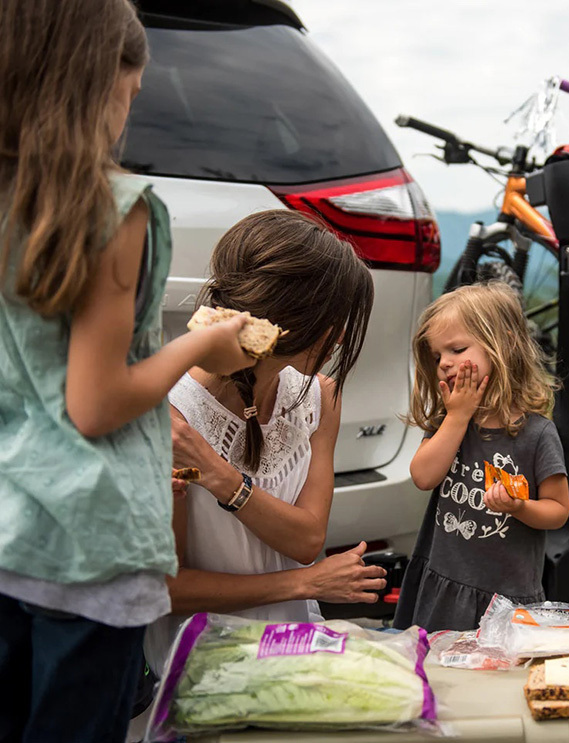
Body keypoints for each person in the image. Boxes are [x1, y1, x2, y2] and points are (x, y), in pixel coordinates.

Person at [0, 1, 252, 741]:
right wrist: (202, 347)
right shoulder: (114, 209)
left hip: (13, 530)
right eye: (131, 95)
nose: (127, 117)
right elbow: (97, 402)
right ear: (95, 80)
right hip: (94, 547)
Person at [143, 209, 387, 677]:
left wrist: (222, 478)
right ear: (293, 320)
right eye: (334, 319)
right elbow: (169, 588)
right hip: (201, 659)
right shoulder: (172, 417)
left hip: (292, 648)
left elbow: (307, 538)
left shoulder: (320, 397)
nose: (338, 337)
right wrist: (305, 583)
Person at [392, 282, 569, 633]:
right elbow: (423, 477)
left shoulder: (536, 434)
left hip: (503, 597)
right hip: (443, 585)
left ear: (502, 344)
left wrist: (520, 508)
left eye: (457, 349)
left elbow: (558, 510)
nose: (444, 364)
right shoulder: (452, 422)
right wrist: (458, 417)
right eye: (437, 356)